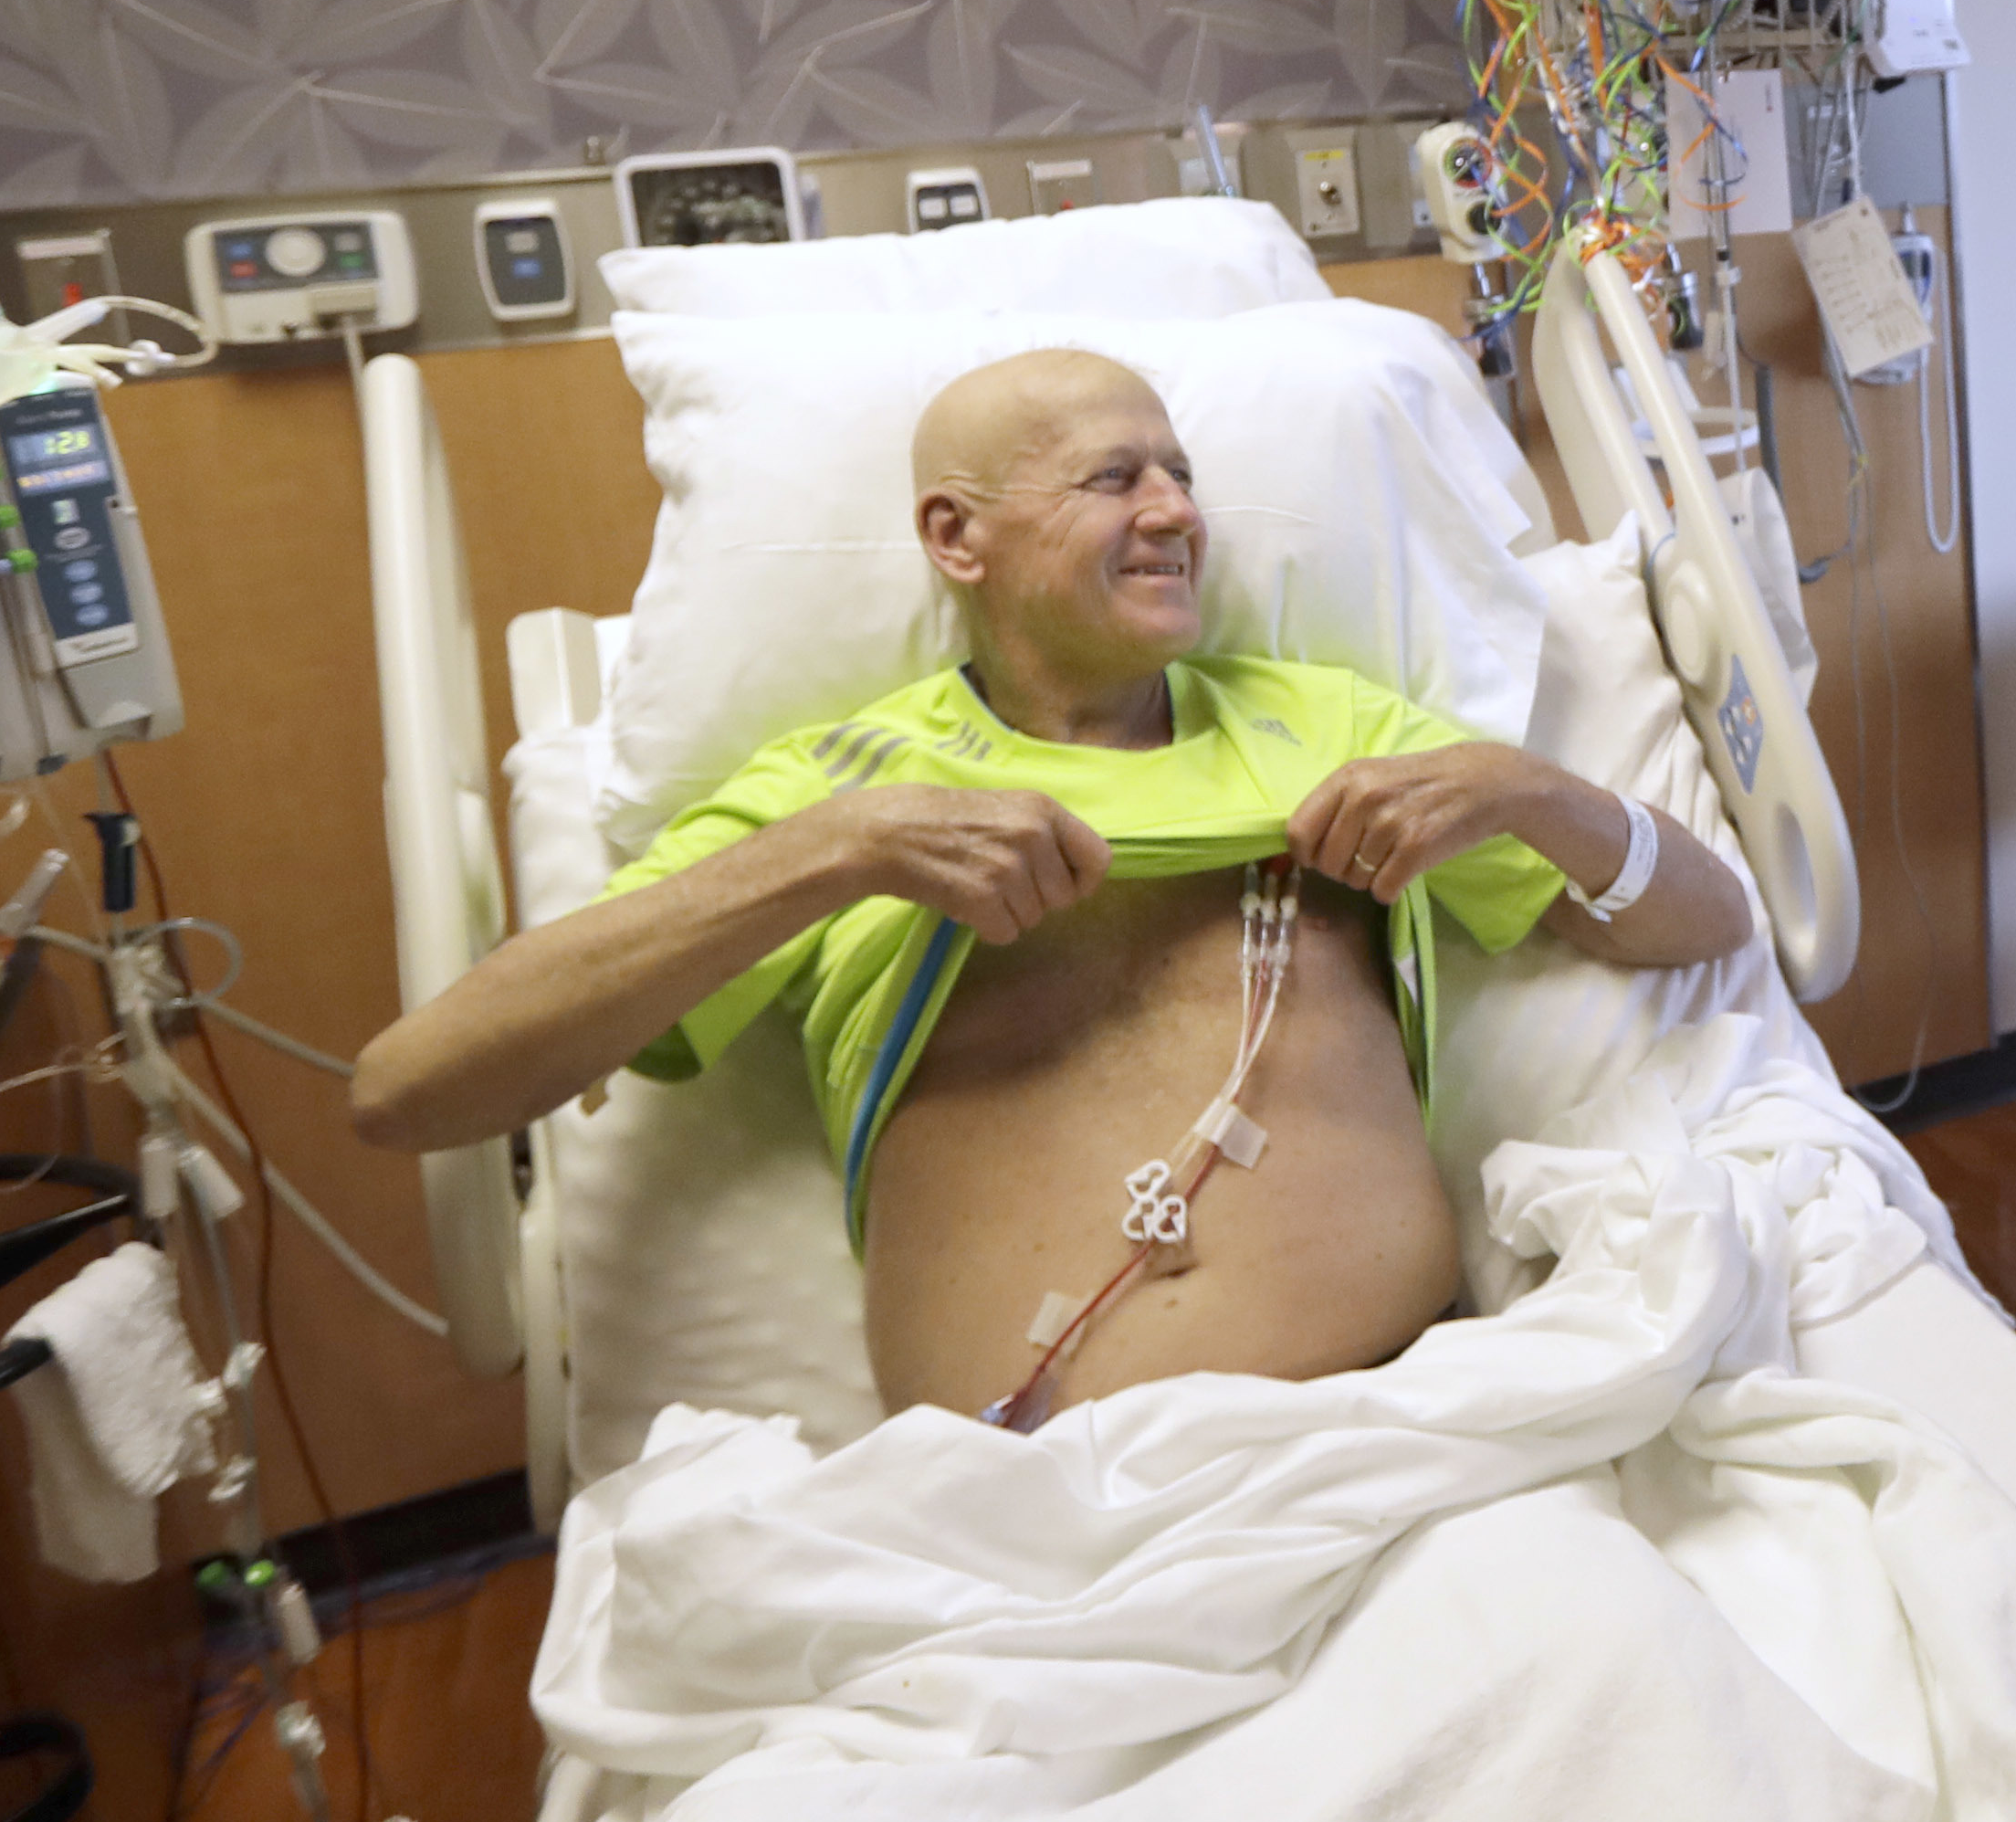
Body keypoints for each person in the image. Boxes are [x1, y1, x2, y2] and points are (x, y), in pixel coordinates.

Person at [351, 346, 1754, 1423]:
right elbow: (412, 1090)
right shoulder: (844, 786)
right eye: (1114, 479)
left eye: (1182, 475)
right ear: (957, 539)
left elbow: (1708, 924)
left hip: (1417, 1424)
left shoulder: (1325, 721)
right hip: (1034, 1512)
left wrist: (1538, 795)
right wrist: (844, 852)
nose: (1177, 513)